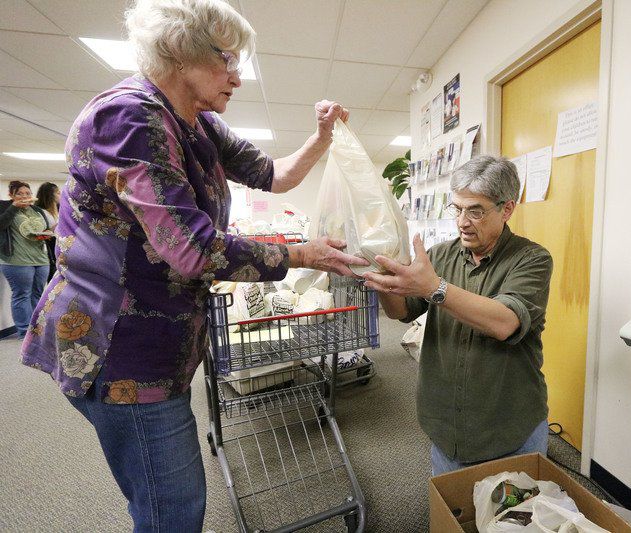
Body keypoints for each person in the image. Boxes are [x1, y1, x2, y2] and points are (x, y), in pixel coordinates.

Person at [19, 0, 367, 530]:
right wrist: (302, 254)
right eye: (229, 60)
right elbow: (191, 249)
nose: (238, 78)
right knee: (172, 511)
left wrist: (321, 139)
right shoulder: (128, 118)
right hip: (119, 350)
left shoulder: (196, 123)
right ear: (182, 53)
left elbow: (273, 175)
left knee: (164, 502)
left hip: (161, 343)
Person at [362, 155, 554, 476]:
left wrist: (435, 287)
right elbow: (402, 312)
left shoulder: (531, 259)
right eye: (457, 209)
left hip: (508, 426)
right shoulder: (440, 255)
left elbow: (505, 321)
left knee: (513, 522)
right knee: (453, 517)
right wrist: (380, 274)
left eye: (475, 211)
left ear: (506, 209)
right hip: (447, 427)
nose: (462, 221)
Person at [1, 180, 53, 338]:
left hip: (40, 258)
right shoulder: (5, 208)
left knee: (38, 294)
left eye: (28, 193)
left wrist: (46, 234)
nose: (25, 196)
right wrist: (14, 207)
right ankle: (24, 332)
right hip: (17, 260)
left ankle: (36, 329)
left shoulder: (37, 210)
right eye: (20, 194)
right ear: (11, 195)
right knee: (22, 294)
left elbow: (44, 228)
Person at [34, 181, 60, 280]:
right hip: (48, 249)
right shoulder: (41, 212)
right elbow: (40, 231)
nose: (60, 195)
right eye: (58, 193)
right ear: (50, 195)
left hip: (56, 247)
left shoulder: (56, 211)